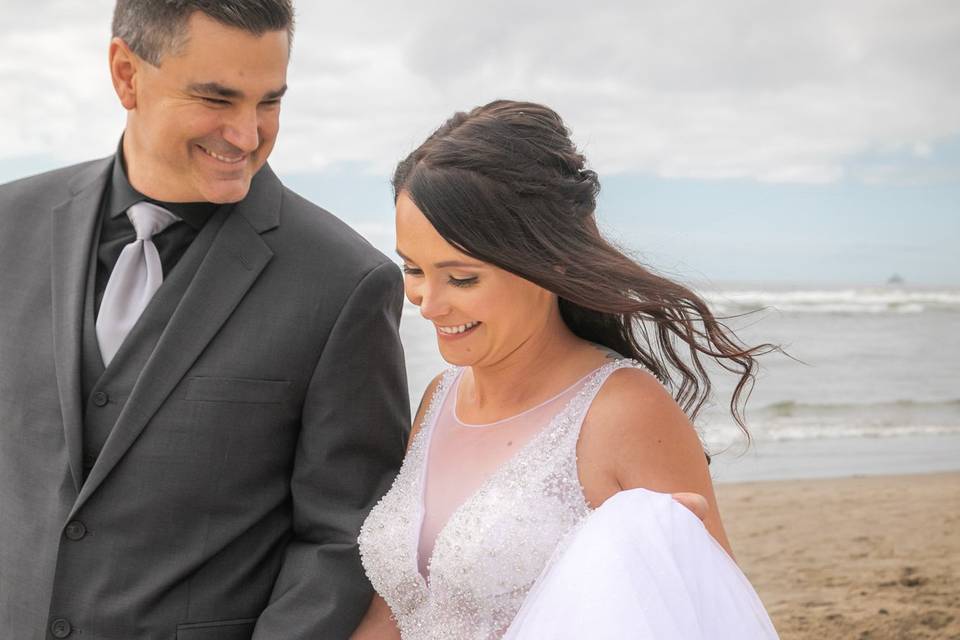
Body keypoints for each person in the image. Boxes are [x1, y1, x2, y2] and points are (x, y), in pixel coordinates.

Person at [0, 2, 408, 638]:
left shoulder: (346, 282)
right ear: (125, 74)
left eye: (269, 102)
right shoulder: (7, 226)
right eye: (216, 99)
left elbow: (343, 538)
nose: (246, 135)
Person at [353, 100, 779, 639]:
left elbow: (712, 617)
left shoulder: (624, 411)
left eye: (461, 279)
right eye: (413, 269)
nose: (427, 303)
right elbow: (394, 613)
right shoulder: (441, 397)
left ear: (549, 260)